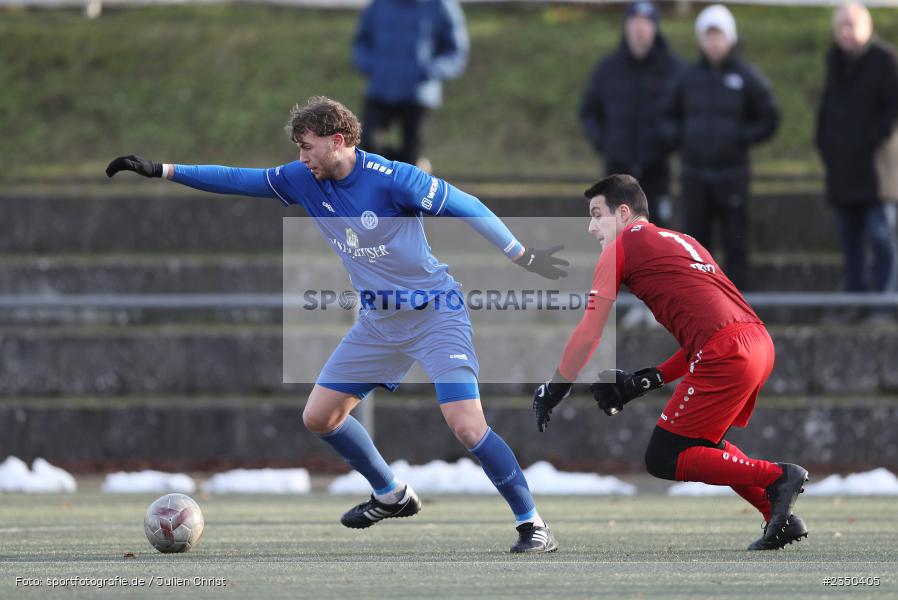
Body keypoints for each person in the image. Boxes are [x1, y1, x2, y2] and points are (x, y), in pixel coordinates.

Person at [106, 96, 566, 553]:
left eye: (307, 147)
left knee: (466, 426)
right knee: (320, 417)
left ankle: (533, 524)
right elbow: (237, 179)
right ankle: (390, 494)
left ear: (337, 141)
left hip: (436, 316)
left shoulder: (394, 178)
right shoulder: (303, 178)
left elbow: (468, 205)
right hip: (379, 323)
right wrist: (164, 170)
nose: (301, 157)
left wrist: (522, 255)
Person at [531, 174, 809, 551]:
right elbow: (713, 331)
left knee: (664, 456)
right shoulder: (685, 240)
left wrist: (556, 386)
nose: (591, 227)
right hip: (756, 342)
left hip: (726, 350)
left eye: (597, 215)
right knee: (704, 444)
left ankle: (778, 476)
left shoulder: (619, 248)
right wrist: (646, 381)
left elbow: (590, 331)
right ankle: (779, 516)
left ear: (624, 213)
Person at [659, 4, 779, 290]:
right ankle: (699, 303)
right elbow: (665, 117)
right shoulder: (687, 78)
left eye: (719, 36)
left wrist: (741, 137)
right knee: (695, 248)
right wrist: (684, 139)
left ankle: (738, 305)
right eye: (709, 36)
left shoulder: (746, 77)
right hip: (695, 176)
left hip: (732, 176)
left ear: (730, 38)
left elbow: (770, 118)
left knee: (736, 244)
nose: (714, 43)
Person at [815, 1, 898, 306]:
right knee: (851, 243)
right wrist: (825, 143)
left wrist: (872, 137)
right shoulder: (835, 61)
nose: (846, 32)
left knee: (881, 238)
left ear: (868, 27)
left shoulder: (886, 60)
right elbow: (827, 109)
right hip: (844, 171)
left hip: (878, 171)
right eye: (841, 26)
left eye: (851, 25)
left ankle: (885, 303)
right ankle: (855, 303)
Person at [579, 0, 682, 229]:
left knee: (656, 234)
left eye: (645, 22)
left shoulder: (673, 69)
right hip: (617, 172)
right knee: (616, 234)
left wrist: (670, 140)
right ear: (626, 26)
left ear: (655, 27)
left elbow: (685, 113)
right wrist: (605, 143)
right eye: (635, 22)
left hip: (656, 171)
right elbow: (588, 112)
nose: (639, 29)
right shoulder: (608, 68)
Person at [352, 0, 469, 170]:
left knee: (412, 153)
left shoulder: (440, 5)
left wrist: (429, 71)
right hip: (380, 89)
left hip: (419, 93)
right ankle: (400, 171)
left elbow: (456, 51)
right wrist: (372, 66)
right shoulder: (379, 5)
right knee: (368, 145)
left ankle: (413, 170)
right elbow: (361, 42)